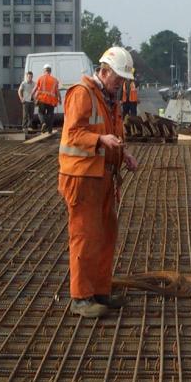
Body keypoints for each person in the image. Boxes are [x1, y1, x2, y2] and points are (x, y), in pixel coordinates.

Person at [58, 46, 139, 318]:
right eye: (118, 79)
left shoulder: (108, 99)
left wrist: (123, 154)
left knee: (105, 236)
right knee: (85, 236)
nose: (121, 85)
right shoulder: (83, 94)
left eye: (123, 81)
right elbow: (72, 135)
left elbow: (109, 133)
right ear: (104, 72)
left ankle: (100, 292)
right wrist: (100, 141)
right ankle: (81, 298)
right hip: (82, 178)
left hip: (102, 177)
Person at [32, 63, 60, 133]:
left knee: (41, 113)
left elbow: (34, 89)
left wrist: (32, 97)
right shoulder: (55, 80)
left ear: (44, 71)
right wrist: (60, 99)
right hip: (51, 100)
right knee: (50, 115)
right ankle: (49, 130)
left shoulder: (40, 78)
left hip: (42, 99)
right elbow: (57, 91)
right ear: (50, 71)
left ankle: (43, 123)